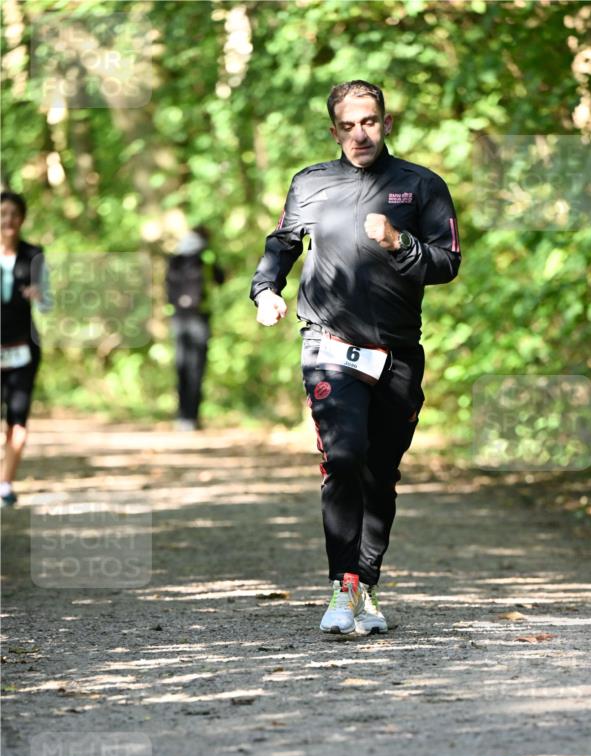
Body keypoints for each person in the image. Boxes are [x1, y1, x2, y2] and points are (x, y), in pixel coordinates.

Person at [250, 80, 461, 635]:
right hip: (328, 344)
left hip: (397, 353)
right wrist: (266, 290)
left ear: (386, 123)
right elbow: (281, 245)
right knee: (342, 458)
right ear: (333, 130)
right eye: (346, 125)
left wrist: (400, 243)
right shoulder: (310, 183)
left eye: (368, 122)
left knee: (380, 472)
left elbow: (447, 262)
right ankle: (342, 586)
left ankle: (365, 583)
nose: (358, 134)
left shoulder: (421, 186)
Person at [1, 191, 52, 508]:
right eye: (2, 213)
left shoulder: (35, 254)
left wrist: (40, 295)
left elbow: (48, 303)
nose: (8, 220)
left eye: (14, 214)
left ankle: (5, 483)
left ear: (22, 219)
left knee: (17, 419)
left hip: (23, 350)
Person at [166, 225, 225, 431]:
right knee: (196, 367)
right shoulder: (206, 255)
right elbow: (221, 279)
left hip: (178, 318)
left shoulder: (175, 256)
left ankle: (182, 417)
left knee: (181, 367)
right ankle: (192, 417)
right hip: (199, 317)